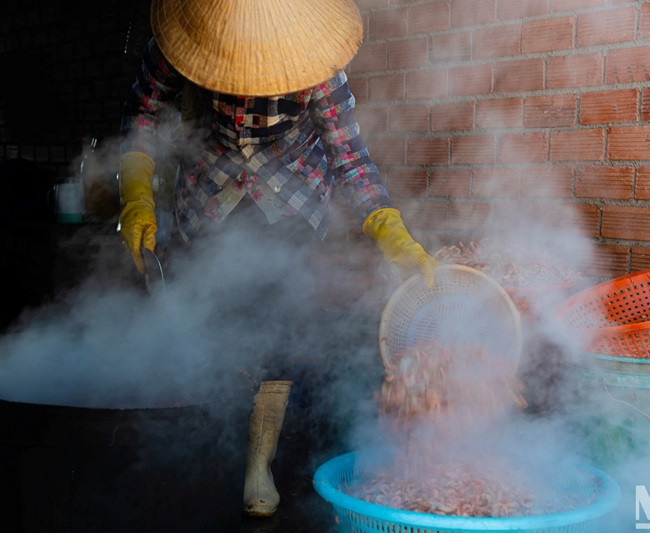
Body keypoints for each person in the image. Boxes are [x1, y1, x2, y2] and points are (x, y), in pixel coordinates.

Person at [117, 0, 438, 518]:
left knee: (279, 318)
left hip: (292, 194)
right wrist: (135, 194)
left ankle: (258, 460)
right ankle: (210, 441)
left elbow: (349, 156)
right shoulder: (185, 34)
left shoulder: (317, 61)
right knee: (209, 315)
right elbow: (143, 115)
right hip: (209, 189)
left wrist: (389, 228)